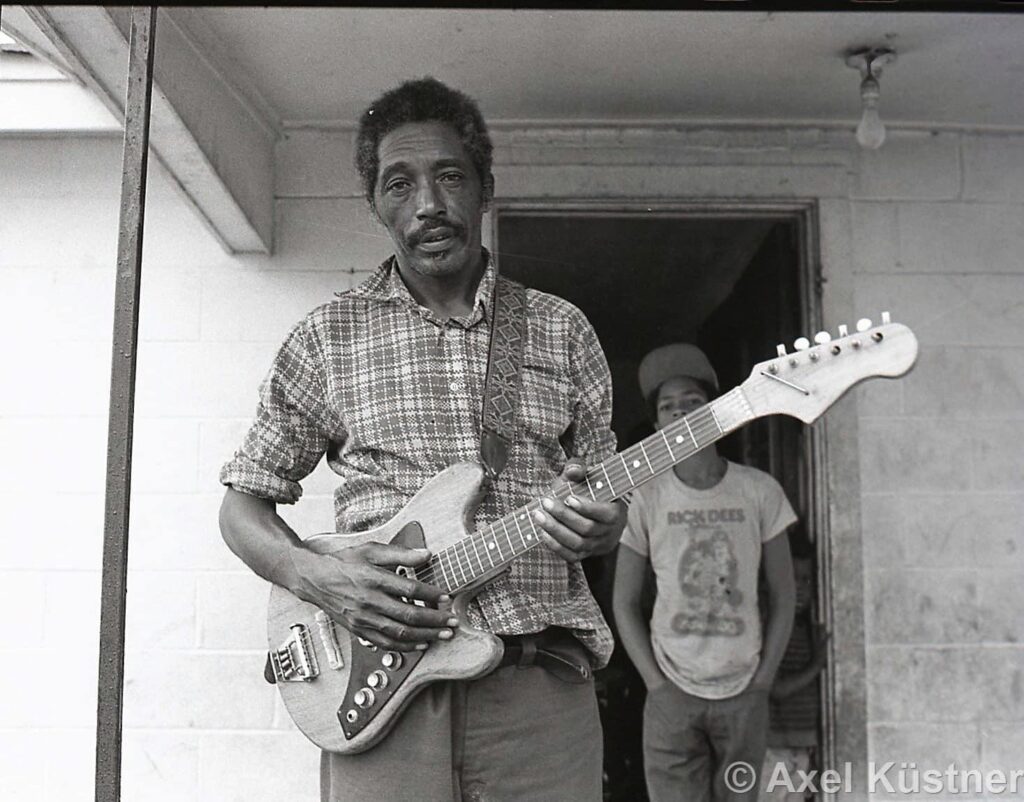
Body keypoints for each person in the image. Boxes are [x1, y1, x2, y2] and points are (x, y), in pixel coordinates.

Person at [218, 76, 626, 802]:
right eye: (398, 184)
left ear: (485, 188)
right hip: (379, 695)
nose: (428, 204)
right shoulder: (325, 337)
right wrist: (316, 577)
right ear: (375, 204)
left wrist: (600, 526)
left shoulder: (563, 329)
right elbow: (241, 511)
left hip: (539, 690)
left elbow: (599, 511)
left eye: (449, 177)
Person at [612, 343, 796, 802]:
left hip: (743, 690)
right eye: (669, 407)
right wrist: (657, 685)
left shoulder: (759, 491)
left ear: (717, 412)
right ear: (657, 425)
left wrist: (762, 685)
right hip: (672, 691)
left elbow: (784, 595)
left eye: (694, 403)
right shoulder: (646, 497)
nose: (682, 415)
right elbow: (624, 602)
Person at [760, 544, 829, 802]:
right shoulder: (771, 628)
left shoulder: (805, 628)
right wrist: (816, 665)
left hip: (801, 747)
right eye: (792, 578)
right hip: (774, 750)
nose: (800, 587)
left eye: (807, 579)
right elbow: (776, 688)